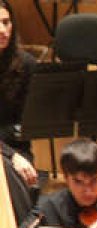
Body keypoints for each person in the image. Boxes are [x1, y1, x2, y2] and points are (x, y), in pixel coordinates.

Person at [0, 0, 37, 178]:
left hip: (16, 148)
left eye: (6, 22)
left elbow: (24, 126)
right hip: (9, 151)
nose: (2, 30)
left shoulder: (27, 64)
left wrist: (10, 153)